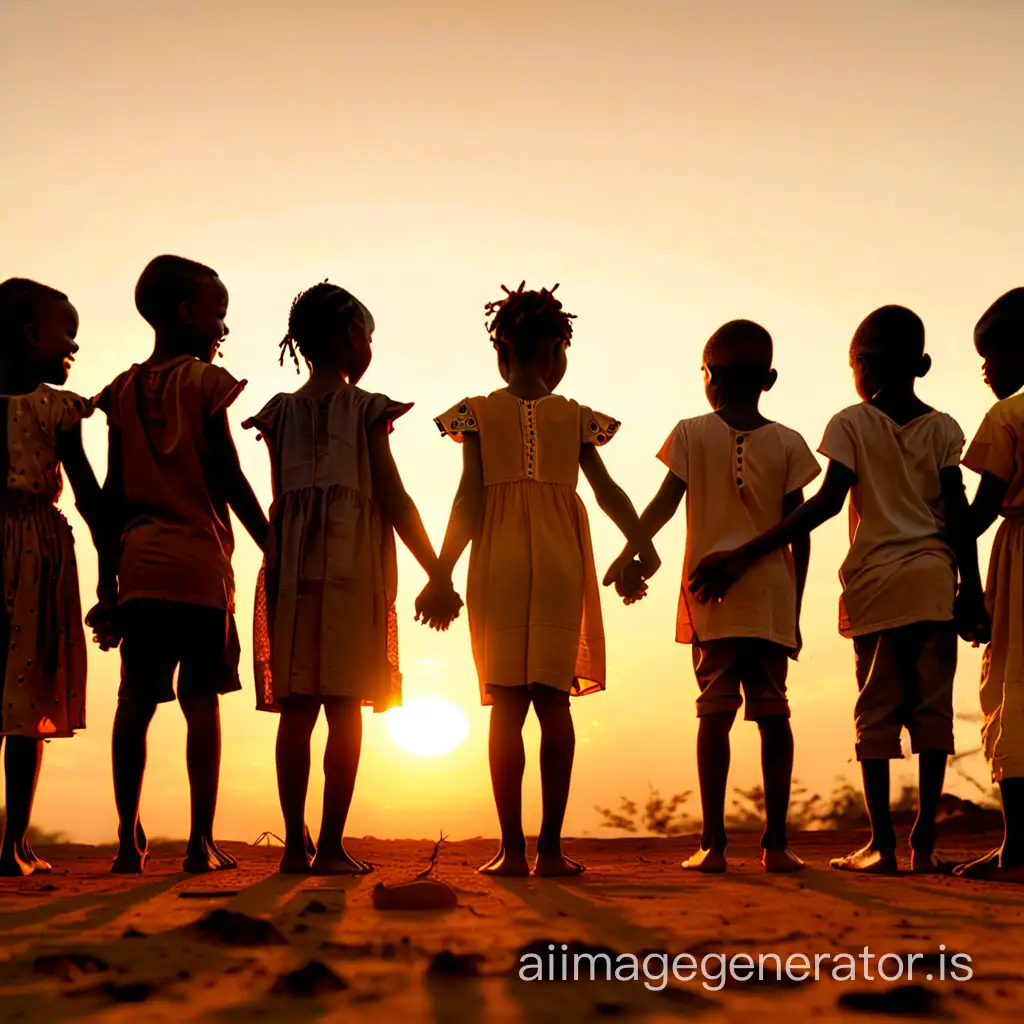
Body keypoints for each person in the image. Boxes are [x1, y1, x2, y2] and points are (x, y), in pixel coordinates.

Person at [689, 306, 987, 874]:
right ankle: (924, 842)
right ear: (923, 363)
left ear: (863, 368)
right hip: (933, 583)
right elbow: (956, 518)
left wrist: (747, 552)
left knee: (875, 712)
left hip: (877, 584)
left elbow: (824, 505)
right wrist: (970, 593)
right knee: (932, 712)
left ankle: (882, 845)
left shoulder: (850, 423)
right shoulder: (945, 428)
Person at [419, 282, 657, 877]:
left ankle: (511, 850)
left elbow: (467, 498)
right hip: (558, 560)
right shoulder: (576, 417)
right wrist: (640, 544)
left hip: (497, 558)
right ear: (557, 350)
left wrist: (442, 572)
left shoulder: (475, 412)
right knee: (554, 705)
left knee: (505, 706)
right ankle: (550, 850)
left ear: (501, 353)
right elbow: (606, 492)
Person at [247, 281, 458, 874]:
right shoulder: (366, 407)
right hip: (349, 572)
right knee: (342, 708)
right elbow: (392, 495)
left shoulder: (278, 413)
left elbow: (281, 501)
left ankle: (294, 844)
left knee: (296, 711)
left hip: (290, 573)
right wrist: (436, 569)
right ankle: (332, 845)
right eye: (367, 334)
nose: (369, 347)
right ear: (348, 338)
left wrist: (284, 556)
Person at [606, 320, 820, 872]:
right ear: (769, 378)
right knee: (775, 716)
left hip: (711, 598)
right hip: (772, 597)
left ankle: (714, 845)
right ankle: (776, 845)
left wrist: (631, 549)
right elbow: (801, 530)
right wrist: (793, 608)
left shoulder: (689, 432)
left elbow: (662, 504)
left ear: (710, 379)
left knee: (714, 717)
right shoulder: (790, 441)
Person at [91, 255, 268, 874]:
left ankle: (125, 842)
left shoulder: (120, 389)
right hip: (199, 569)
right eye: (218, 315)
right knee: (201, 701)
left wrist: (106, 585)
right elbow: (228, 474)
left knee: (134, 703)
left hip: (139, 568)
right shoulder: (205, 383)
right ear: (187, 314)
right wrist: (273, 542)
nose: (223, 328)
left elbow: (111, 497)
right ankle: (199, 842)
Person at [0, 278, 111, 876]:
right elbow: (90, 497)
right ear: (29, 336)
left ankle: (13, 844)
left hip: (34, 550)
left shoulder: (59, 408)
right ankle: (13, 845)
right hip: (35, 552)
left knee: (19, 697)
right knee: (26, 700)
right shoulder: (57, 409)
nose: (74, 346)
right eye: (67, 334)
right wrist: (108, 577)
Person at [955, 288, 1024, 882]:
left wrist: (939, 522)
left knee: (1011, 691)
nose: (985, 368)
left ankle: (1018, 850)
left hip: (1021, 556)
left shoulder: (1009, 416)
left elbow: (981, 514)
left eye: (993, 353)